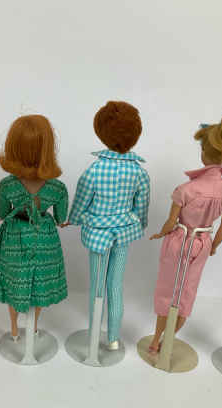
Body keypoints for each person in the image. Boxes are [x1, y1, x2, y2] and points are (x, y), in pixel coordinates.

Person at [148, 114, 222, 354]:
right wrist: (213, 246)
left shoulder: (186, 189)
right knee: (186, 293)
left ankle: (155, 340)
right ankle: (167, 341)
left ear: (205, 153)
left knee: (166, 291)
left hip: (179, 240)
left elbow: (170, 222)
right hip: (202, 244)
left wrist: (161, 233)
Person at [66, 101, 150, 351]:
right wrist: (140, 223)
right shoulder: (139, 173)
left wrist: (74, 218)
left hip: (98, 235)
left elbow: (81, 201)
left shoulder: (94, 170)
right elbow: (142, 207)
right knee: (116, 285)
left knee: (97, 286)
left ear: (101, 133)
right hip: (123, 233)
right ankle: (113, 337)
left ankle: (94, 332)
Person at [0, 115, 68, 340]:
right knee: (40, 287)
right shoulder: (57, 188)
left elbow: (2, 213)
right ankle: (34, 325)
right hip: (45, 239)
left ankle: (13, 327)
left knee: (14, 283)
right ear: (48, 148)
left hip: (14, 238)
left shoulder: (7, 185)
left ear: (14, 147)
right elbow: (61, 218)